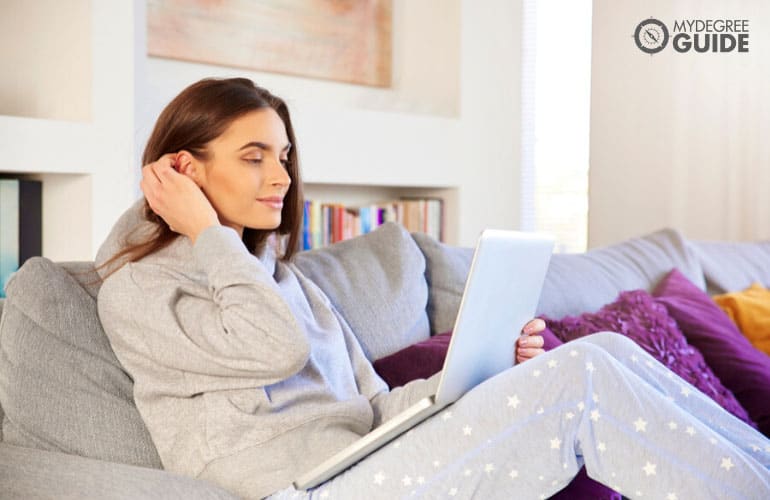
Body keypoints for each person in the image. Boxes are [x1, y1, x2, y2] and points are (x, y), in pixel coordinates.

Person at [95, 77, 770, 500]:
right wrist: (207, 232)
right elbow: (272, 346)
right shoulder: (138, 291)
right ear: (182, 167)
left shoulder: (279, 274)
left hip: (364, 462)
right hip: (302, 489)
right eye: (254, 157)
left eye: (284, 156)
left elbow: (375, 407)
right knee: (585, 378)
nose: (281, 176)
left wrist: (480, 376)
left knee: (597, 358)